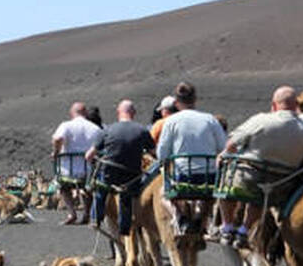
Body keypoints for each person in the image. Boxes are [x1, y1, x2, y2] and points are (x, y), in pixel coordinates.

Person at [216, 86, 303, 248]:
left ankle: (227, 226)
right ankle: (244, 229)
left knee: (226, 175)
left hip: (248, 178)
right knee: (261, 196)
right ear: (296, 106)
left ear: (274, 105)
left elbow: (232, 144)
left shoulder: (261, 120)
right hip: (281, 186)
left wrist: (223, 155)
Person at [155, 81, 227, 234]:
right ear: (195, 100)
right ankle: (203, 216)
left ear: (176, 102)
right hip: (208, 178)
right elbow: (223, 148)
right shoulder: (210, 119)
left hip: (183, 177)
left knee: (163, 194)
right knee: (209, 192)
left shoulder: (171, 121)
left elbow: (162, 153)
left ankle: (180, 216)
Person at [85, 99, 155, 236]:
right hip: (131, 176)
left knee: (100, 190)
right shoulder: (142, 130)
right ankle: (125, 227)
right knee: (126, 196)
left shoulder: (107, 130)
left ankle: (95, 218)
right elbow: (154, 152)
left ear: (118, 112)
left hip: (109, 174)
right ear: (133, 113)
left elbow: (89, 155)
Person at [51, 101, 102, 225]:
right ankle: (86, 213)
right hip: (88, 171)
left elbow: (57, 138)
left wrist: (56, 152)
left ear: (72, 113)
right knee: (87, 187)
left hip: (68, 171)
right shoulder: (95, 128)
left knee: (64, 187)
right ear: (85, 113)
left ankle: (72, 213)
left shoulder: (66, 125)